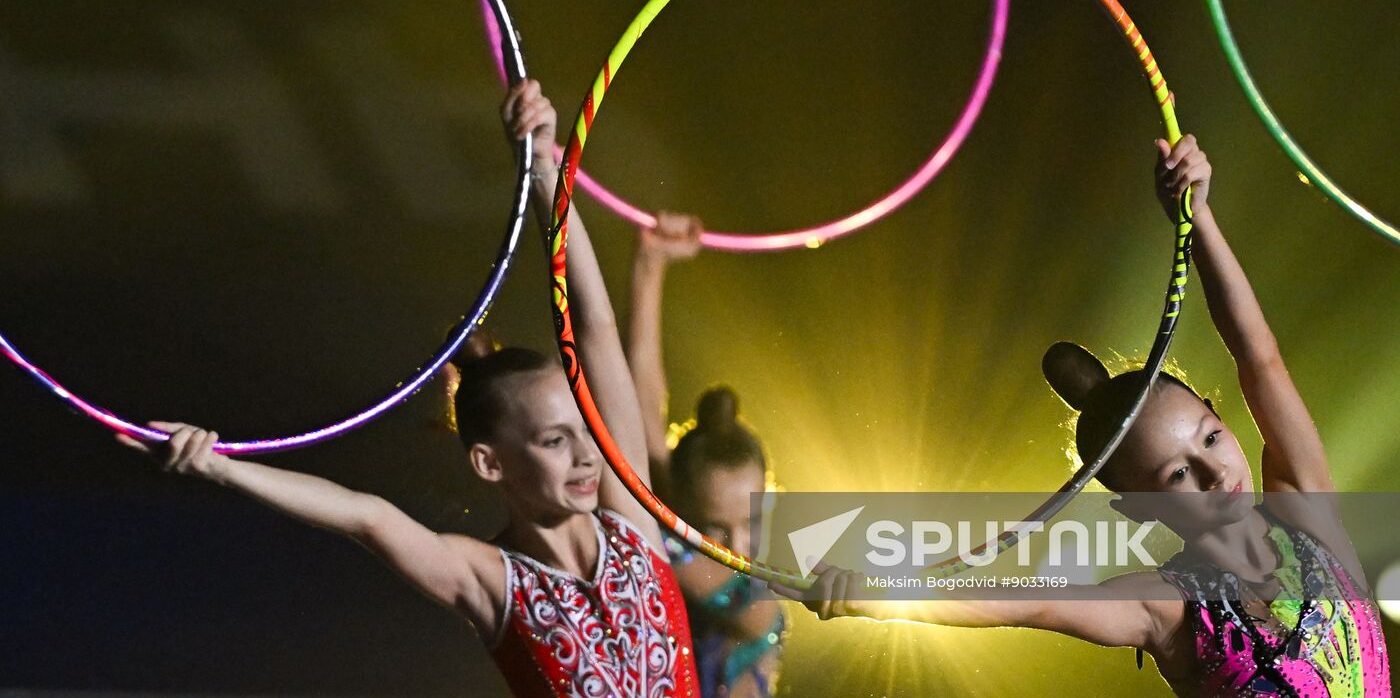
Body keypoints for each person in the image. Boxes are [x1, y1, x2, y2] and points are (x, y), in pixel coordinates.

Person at [121, 80, 701, 698]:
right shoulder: (494, 581)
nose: (589, 454)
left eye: (585, 433)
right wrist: (218, 466)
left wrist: (543, 174)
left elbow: (596, 327)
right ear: (489, 462)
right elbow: (367, 518)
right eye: (555, 441)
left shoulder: (637, 517)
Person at [777, 135, 1391, 697]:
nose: (1212, 473)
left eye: (1210, 437)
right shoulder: (1167, 608)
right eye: (1176, 475)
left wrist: (1195, 214)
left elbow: (1258, 356)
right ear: (1136, 506)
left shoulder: (1305, 508)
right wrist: (876, 595)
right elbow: (1029, 602)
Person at [629, 213, 784, 698]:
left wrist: (645, 516)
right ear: (679, 504)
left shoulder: (760, 600)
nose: (738, 545)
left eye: (751, 521)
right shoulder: (665, 533)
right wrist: (649, 266)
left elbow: (652, 517)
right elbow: (642, 408)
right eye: (716, 527)